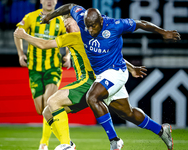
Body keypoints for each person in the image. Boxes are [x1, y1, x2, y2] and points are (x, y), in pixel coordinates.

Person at [40, 3, 181, 150]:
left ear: (101, 21)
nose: (90, 30)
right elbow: (69, 6)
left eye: (93, 26)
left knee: (92, 97)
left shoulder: (116, 25)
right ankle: (161, 130)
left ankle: (114, 140)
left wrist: (163, 32)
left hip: (116, 72)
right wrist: (49, 16)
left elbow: (141, 23)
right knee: (127, 113)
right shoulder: (82, 18)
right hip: (102, 76)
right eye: (87, 26)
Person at [14, 14, 147, 149]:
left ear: (78, 21)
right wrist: (131, 68)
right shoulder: (90, 36)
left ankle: (66, 145)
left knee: (53, 101)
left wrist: (24, 35)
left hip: (90, 82)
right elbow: (110, 57)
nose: (66, 28)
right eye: (65, 26)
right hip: (97, 83)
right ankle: (71, 144)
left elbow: (44, 44)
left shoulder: (77, 36)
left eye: (68, 24)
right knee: (47, 112)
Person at [13, 1, 71, 150]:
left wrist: (68, 56)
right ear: (41, 1)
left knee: (49, 103)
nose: (50, 1)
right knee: (41, 110)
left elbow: (71, 38)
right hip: (34, 69)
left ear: (56, 1)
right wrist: (20, 54)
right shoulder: (31, 17)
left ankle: (44, 143)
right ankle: (66, 143)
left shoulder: (59, 20)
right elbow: (17, 33)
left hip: (53, 68)